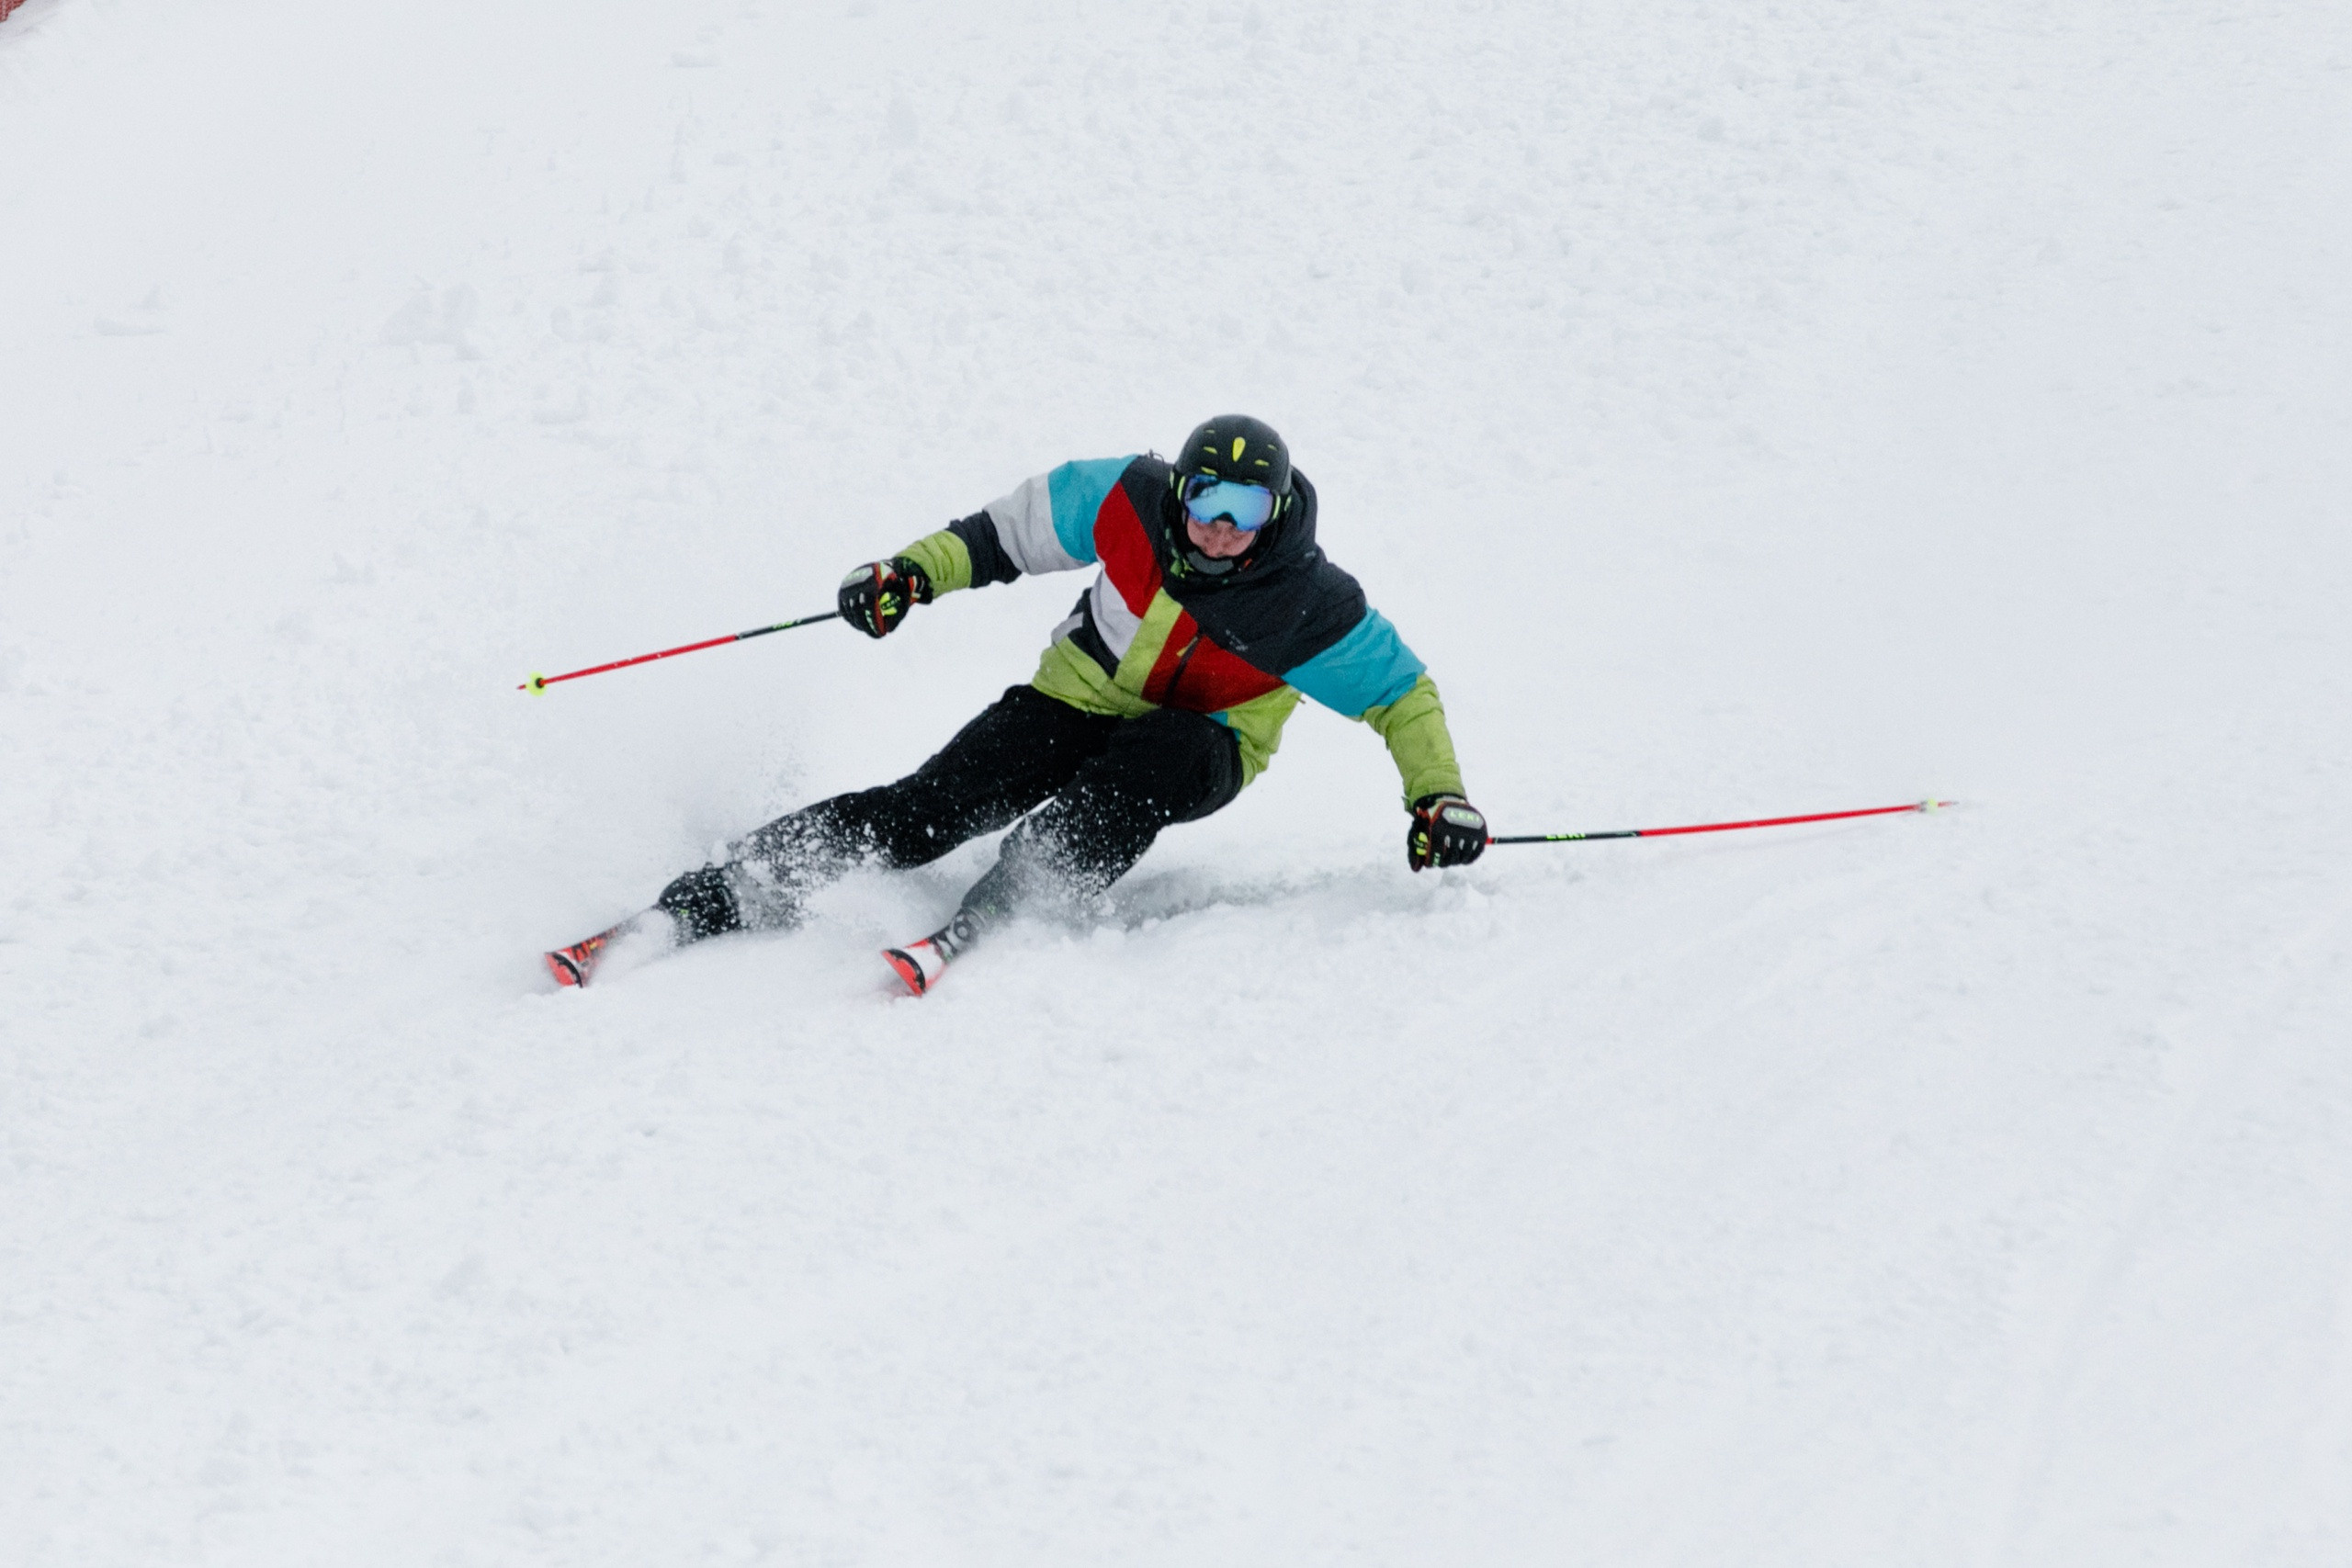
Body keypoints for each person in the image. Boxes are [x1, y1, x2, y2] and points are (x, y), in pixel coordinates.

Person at [544, 414, 1491, 994]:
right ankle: (714, 896)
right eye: (1207, 498)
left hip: (1204, 738)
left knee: (1145, 767)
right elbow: (1002, 536)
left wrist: (1435, 797)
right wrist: (908, 576)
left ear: (1275, 513)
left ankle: (1014, 897)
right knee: (929, 807)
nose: (1217, 527)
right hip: (1072, 698)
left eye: (1244, 510)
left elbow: (1403, 697)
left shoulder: (1309, 602)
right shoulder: (1125, 497)